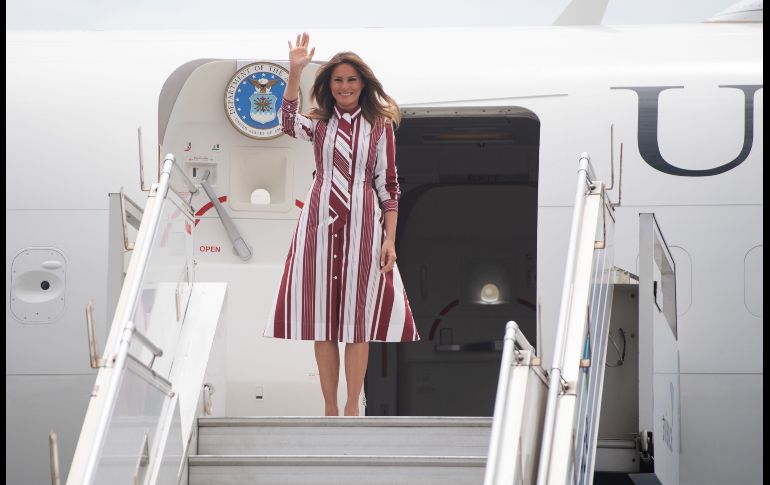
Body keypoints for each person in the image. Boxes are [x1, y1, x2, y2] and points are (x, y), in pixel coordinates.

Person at [264, 33, 420, 417]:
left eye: (351, 80)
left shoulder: (380, 126)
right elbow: (284, 121)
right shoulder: (319, 124)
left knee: (357, 320)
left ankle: (353, 407)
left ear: (362, 84)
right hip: (319, 225)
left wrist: (390, 240)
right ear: (329, 86)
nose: (345, 86)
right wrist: (296, 71)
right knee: (324, 321)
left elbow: (389, 185)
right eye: (338, 80)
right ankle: (330, 408)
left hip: (365, 227)